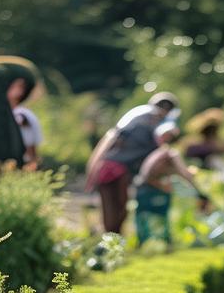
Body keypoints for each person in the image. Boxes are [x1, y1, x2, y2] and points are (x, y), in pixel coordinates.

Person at [85, 91, 179, 234]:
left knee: (117, 210)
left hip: (114, 168)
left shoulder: (140, 118)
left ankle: (112, 239)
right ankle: (111, 239)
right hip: (115, 169)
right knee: (115, 210)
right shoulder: (147, 119)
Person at [134, 120, 209, 245]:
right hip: (150, 189)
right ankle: (165, 243)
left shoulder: (159, 152)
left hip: (142, 187)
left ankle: (146, 243)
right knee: (160, 218)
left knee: (143, 218)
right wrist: (199, 192)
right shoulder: (170, 153)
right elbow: (183, 173)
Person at [7, 75, 43, 169]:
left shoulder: (22, 114)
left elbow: (29, 143)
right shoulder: (9, 113)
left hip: (21, 163)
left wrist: (31, 162)